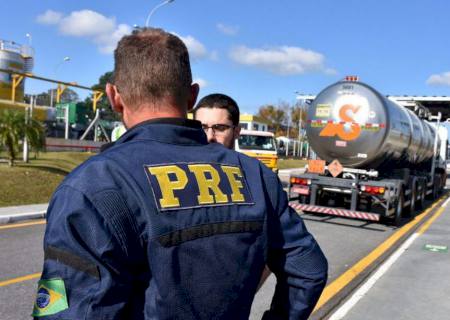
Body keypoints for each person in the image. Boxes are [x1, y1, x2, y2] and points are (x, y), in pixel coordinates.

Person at [33, 28, 327, 320]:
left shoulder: (93, 186)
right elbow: (308, 269)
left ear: (114, 97)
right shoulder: (254, 175)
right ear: (192, 98)